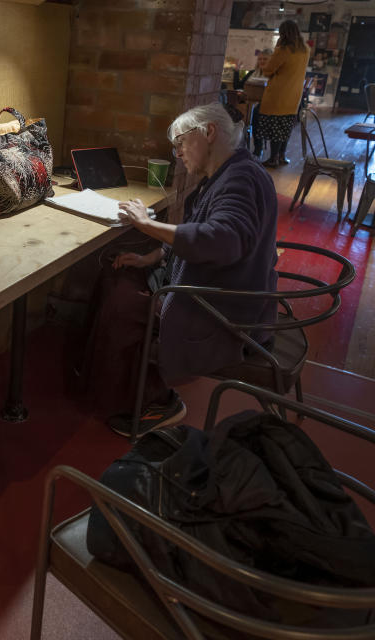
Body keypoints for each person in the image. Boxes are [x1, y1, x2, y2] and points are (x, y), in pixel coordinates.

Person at [79, 103, 278, 438]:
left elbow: (222, 241)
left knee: (123, 305)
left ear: (209, 132)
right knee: (117, 273)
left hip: (224, 311)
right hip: (220, 290)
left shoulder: (240, 180)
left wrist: (145, 224)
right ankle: (102, 376)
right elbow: (201, 232)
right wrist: (151, 257)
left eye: (181, 143)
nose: (177, 153)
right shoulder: (231, 173)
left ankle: (157, 402)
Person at [255, 20, 310, 168]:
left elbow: (267, 70)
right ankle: (282, 156)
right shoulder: (306, 49)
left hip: (279, 94)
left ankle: (273, 158)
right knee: (285, 127)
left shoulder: (284, 50)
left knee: (275, 128)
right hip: (294, 95)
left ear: (283, 34)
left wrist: (278, 47)